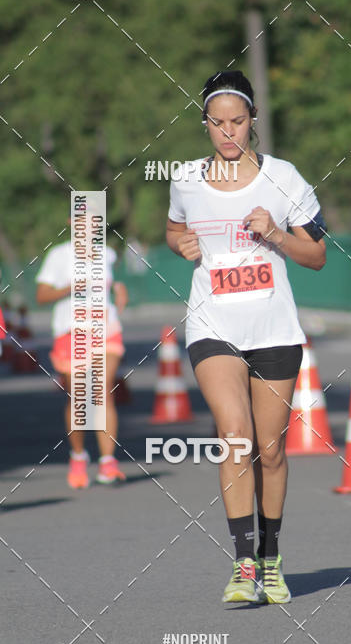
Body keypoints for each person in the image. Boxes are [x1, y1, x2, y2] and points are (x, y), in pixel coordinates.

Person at [166, 70, 326, 605]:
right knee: (235, 435)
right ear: (205, 124)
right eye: (218, 123)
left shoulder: (283, 178)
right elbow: (173, 229)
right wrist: (181, 245)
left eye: (238, 121)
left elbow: (318, 256)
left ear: (253, 120)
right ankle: (243, 566)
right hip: (213, 325)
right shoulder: (186, 179)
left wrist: (277, 235)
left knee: (271, 449)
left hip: (274, 326)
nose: (229, 132)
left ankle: (272, 559)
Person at [36, 235, 128, 487]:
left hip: (105, 329)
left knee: (102, 390)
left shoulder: (106, 253)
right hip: (71, 331)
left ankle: (108, 462)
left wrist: (118, 288)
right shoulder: (59, 254)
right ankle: (78, 456)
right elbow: (41, 295)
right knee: (78, 397)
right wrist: (71, 287)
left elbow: (110, 281)